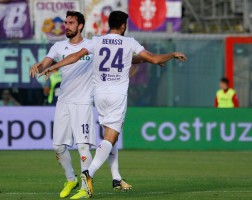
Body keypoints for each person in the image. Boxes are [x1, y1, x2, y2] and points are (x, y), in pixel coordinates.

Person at [38, 10, 186, 197]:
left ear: (110, 24)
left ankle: (115, 177)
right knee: (110, 138)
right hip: (116, 95)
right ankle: (88, 174)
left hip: (99, 95)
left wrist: (53, 67)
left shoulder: (97, 41)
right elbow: (154, 58)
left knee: (109, 137)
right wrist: (171, 54)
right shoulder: (129, 42)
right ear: (123, 25)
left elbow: (75, 56)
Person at [30, 11, 131, 199]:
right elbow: (46, 63)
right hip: (64, 102)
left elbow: (117, 59)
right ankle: (71, 179)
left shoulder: (92, 45)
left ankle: (86, 187)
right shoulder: (58, 46)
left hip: (84, 103)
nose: (66, 26)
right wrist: (39, 66)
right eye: (66, 23)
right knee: (58, 147)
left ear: (80, 26)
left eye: (71, 23)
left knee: (83, 147)